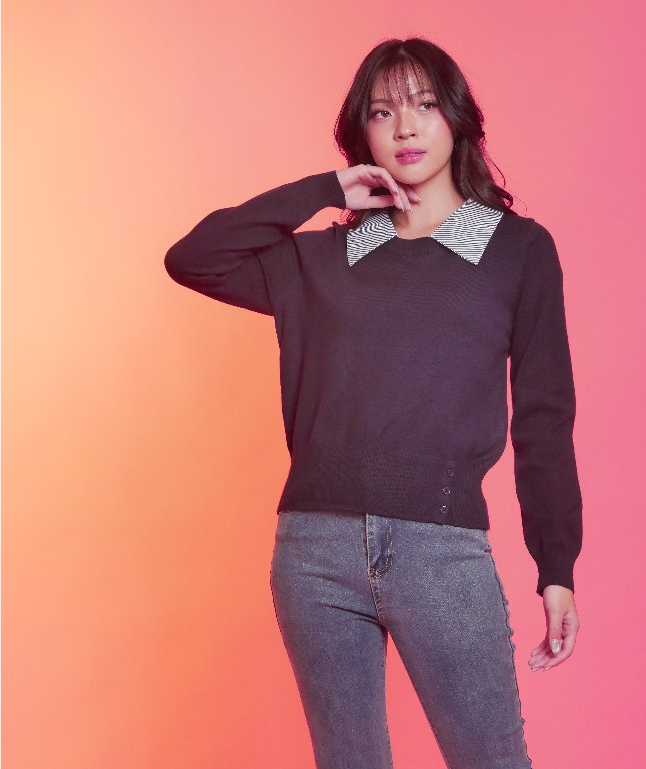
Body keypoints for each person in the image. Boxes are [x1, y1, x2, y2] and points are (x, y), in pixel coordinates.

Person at [165, 36, 583, 769]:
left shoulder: (516, 251)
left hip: (441, 553)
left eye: (424, 105)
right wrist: (325, 189)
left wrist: (556, 564)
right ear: (361, 133)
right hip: (315, 552)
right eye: (382, 112)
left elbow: (544, 418)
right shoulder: (325, 258)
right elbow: (193, 257)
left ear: (457, 118)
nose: (405, 127)